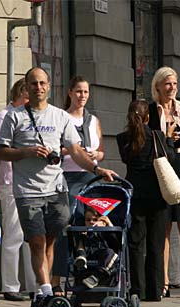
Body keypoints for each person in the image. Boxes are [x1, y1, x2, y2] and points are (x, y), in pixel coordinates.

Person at [0, 67, 116, 307]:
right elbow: (0, 152)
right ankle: (47, 291)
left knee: (50, 241)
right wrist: (27, 152)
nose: (38, 87)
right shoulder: (14, 116)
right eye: (33, 83)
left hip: (56, 189)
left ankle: (42, 291)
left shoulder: (60, 116)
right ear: (26, 87)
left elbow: (75, 151)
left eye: (42, 83)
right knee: (37, 242)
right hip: (27, 190)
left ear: (49, 86)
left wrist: (96, 169)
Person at [148, 66, 180, 299]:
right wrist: (166, 136)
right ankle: (165, 282)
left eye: (175, 84)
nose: (172, 88)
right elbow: (148, 142)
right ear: (158, 86)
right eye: (168, 84)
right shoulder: (151, 109)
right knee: (165, 225)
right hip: (163, 169)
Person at [51, 76, 105, 295]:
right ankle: (57, 280)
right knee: (67, 226)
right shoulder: (62, 118)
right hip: (67, 177)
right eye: (78, 91)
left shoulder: (94, 121)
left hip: (90, 178)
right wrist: (73, 150)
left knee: (91, 225)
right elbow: (55, 149)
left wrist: (95, 155)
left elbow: (102, 151)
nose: (82, 96)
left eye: (86, 92)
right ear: (70, 93)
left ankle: (88, 275)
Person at [117, 100, 176, 301]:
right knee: (156, 243)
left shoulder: (123, 138)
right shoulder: (157, 136)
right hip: (158, 196)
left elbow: (127, 160)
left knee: (135, 243)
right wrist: (168, 139)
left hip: (135, 195)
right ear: (148, 117)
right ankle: (155, 290)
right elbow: (170, 160)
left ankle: (137, 290)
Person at [0, 78, 37, 301]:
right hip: (11, 181)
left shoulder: (30, 116)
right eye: (27, 95)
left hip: (31, 182)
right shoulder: (5, 115)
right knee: (13, 233)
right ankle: (10, 285)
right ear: (19, 94)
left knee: (33, 236)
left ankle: (34, 284)